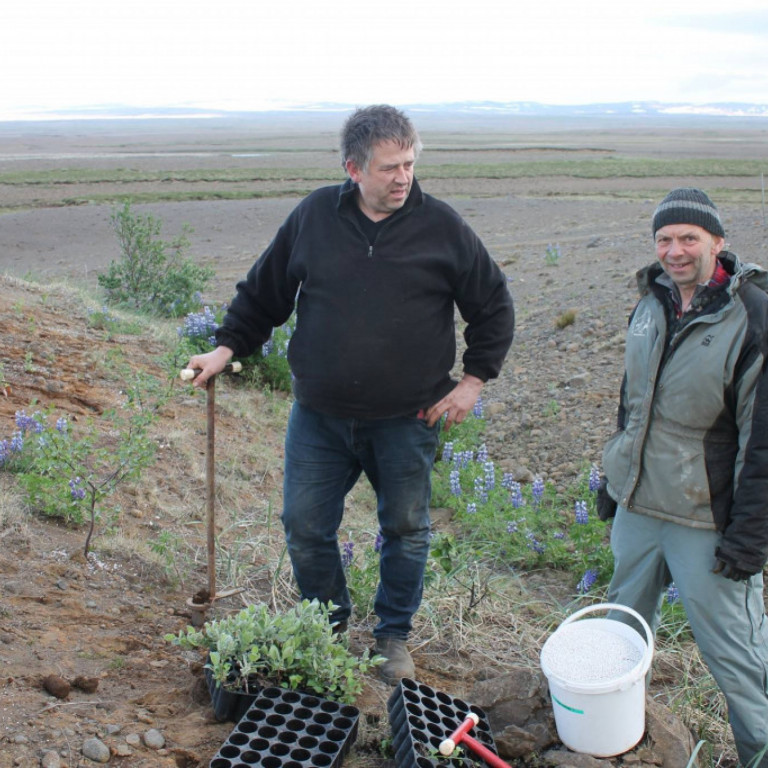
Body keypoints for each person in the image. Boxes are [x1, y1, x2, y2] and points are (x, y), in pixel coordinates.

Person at [187, 104, 515, 685]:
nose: (402, 178)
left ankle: (391, 637)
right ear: (353, 168)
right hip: (320, 415)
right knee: (305, 525)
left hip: (407, 417)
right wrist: (226, 348)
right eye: (389, 167)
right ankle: (327, 627)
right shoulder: (315, 216)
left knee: (407, 529)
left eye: (409, 164)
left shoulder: (442, 227)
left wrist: (472, 382)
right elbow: (266, 292)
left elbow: (493, 305)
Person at [598, 187, 768, 766]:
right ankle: (617, 741)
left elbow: (762, 440)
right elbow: (633, 401)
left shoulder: (752, 315)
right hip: (640, 507)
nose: (675, 250)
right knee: (620, 636)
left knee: (738, 658)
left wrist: (750, 535)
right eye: (664, 239)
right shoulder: (651, 301)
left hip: (707, 518)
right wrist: (616, 479)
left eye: (688, 238)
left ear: (718, 242)